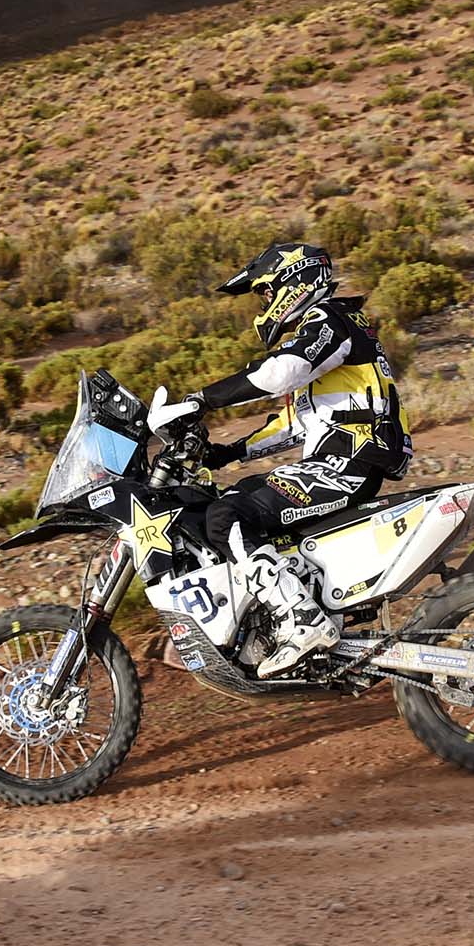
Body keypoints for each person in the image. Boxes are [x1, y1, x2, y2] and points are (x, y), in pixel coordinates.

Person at [146, 242, 410, 676]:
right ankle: (284, 617)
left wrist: (201, 400)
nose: (264, 303)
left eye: (266, 292)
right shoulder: (335, 328)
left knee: (225, 516)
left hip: (346, 465)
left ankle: (301, 620)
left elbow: (281, 372)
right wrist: (225, 453)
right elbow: (292, 424)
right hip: (340, 462)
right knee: (236, 499)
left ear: (295, 281)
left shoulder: (329, 319)